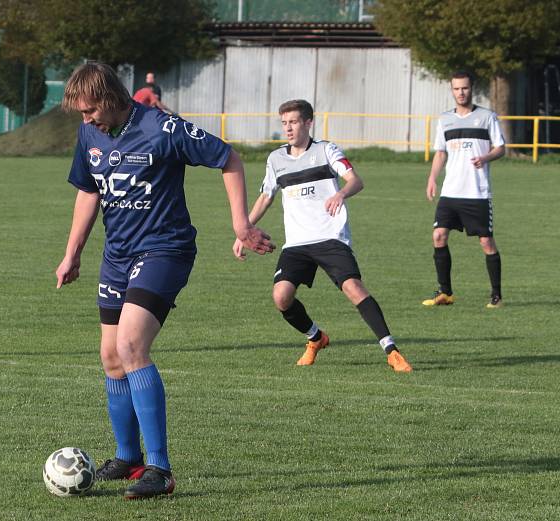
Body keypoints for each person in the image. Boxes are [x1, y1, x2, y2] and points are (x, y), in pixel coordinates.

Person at [55, 62, 274, 499]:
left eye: (90, 110)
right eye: (81, 114)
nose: (86, 119)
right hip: (116, 254)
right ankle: (128, 456)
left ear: (111, 97)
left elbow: (228, 157)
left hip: (165, 250)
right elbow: (89, 190)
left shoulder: (162, 127)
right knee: (110, 356)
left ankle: (160, 468)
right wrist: (72, 253)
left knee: (132, 345)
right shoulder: (89, 135)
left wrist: (240, 224)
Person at [232, 99, 412, 373]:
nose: (288, 128)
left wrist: (340, 193)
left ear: (307, 122)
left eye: (293, 122)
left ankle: (391, 351)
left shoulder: (327, 150)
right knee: (281, 297)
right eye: (284, 123)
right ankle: (316, 338)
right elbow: (265, 197)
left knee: (353, 288)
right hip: (297, 243)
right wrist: (243, 230)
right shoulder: (276, 159)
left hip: (330, 237)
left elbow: (355, 180)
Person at [423, 71, 505, 308]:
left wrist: (486, 157)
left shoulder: (487, 117)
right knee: (438, 236)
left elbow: (501, 148)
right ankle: (445, 293)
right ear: (452, 91)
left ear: (472, 89)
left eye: (465, 88)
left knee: (486, 242)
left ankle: (496, 296)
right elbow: (440, 152)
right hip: (450, 192)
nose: (461, 92)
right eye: (457, 89)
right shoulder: (445, 119)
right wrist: (431, 178)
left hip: (477, 193)